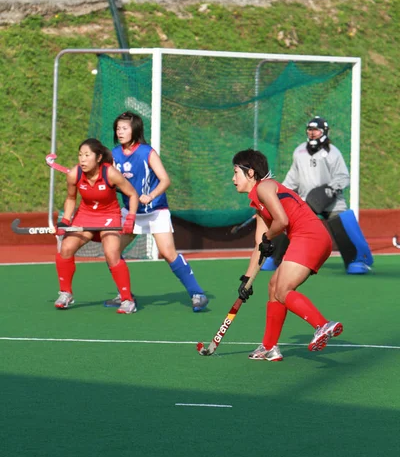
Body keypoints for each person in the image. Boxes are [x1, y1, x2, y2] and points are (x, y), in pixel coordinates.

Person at [232, 148, 343, 362]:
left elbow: (281, 221)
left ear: (251, 173)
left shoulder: (264, 187)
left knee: (283, 290)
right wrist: (247, 279)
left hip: (309, 236)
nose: (233, 178)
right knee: (274, 287)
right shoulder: (258, 204)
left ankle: (322, 325)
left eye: (236, 172)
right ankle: (269, 347)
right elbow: (259, 245)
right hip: (312, 238)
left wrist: (268, 237)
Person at [110, 111, 208, 312]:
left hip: (155, 211)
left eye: (124, 128)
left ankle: (197, 293)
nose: (120, 132)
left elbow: (165, 180)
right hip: (130, 212)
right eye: (118, 128)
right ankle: (125, 295)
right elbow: (113, 180)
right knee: (112, 251)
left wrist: (151, 195)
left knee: (167, 252)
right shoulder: (115, 154)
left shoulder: (147, 152)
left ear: (135, 130)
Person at [263, 116, 372, 274]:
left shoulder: (333, 153)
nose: (312, 133)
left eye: (316, 130)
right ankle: (274, 258)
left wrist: (331, 189)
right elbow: (292, 178)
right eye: (310, 130)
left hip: (331, 199)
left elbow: (343, 176)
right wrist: (279, 194)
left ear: (324, 132)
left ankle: (358, 260)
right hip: (307, 200)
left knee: (341, 220)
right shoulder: (299, 152)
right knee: (287, 221)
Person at [54, 138, 139, 314]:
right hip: (85, 215)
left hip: (109, 215)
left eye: (87, 155)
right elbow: (71, 198)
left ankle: (127, 300)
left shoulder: (111, 173)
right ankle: (65, 293)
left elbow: (132, 194)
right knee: (66, 248)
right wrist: (66, 221)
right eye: (80, 155)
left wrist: (130, 218)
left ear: (98, 157)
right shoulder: (74, 174)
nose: (82, 159)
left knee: (111, 253)